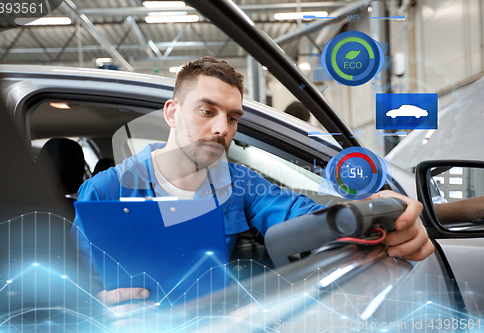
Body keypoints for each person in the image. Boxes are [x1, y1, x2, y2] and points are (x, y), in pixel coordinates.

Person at [71, 56, 433, 312]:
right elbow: (70, 283)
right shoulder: (106, 190)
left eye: (233, 118)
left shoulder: (241, 185)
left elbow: (303, 215)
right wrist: (92, 305)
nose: (222, 128)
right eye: (206, 110)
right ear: (171, 111)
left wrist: (373, 213)